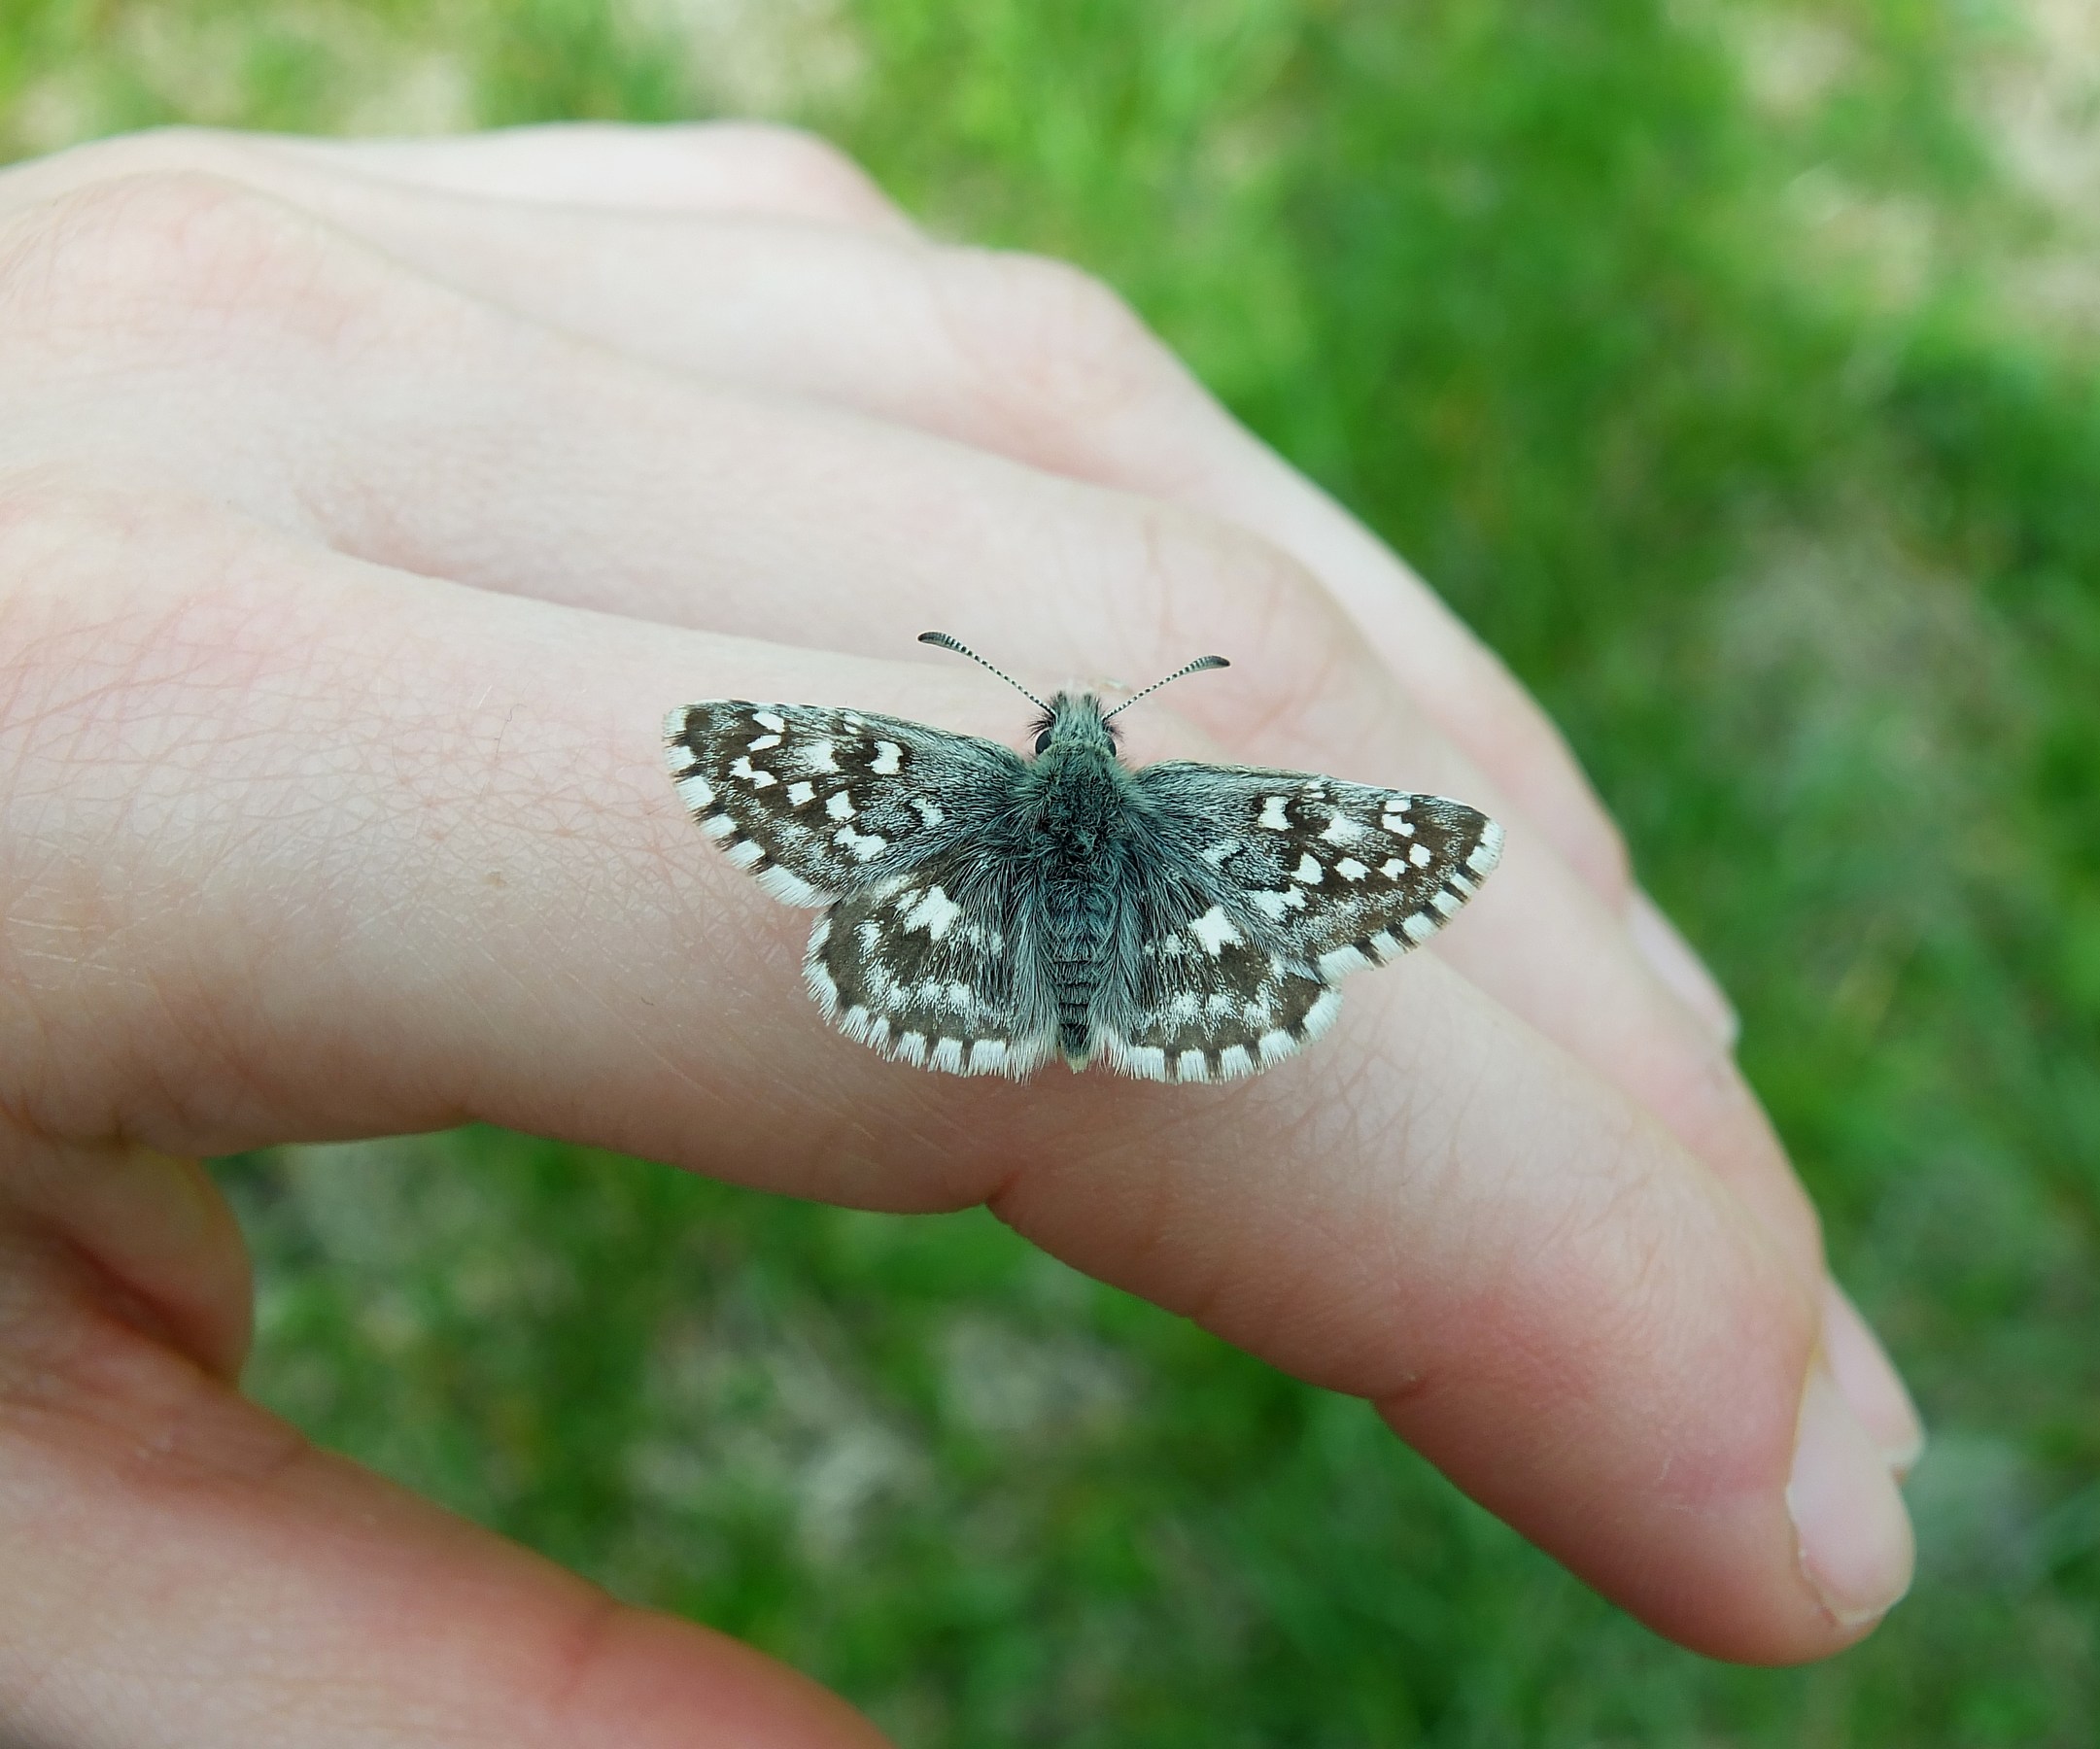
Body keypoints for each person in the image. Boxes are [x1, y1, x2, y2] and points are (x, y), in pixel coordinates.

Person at [0, 122, 1922, 1745]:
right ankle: (1101, 1003)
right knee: (1148, 979)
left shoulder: (938, 775)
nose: (1080, 724)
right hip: (1170, 943)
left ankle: (1026, 999)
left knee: (1020, 966)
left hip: (977, 912)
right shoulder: (1213, 816)